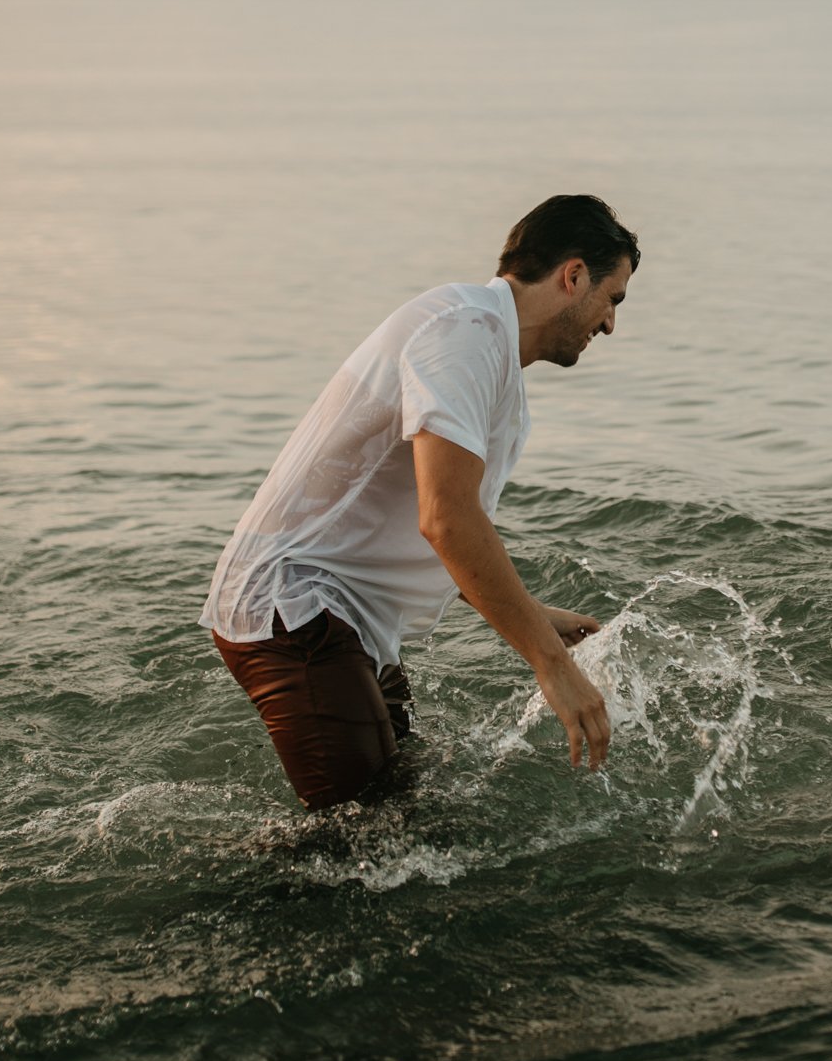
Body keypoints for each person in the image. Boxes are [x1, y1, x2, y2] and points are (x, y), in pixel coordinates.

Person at [202, 194, 638, 810]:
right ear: (573, 276)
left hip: (342, 618)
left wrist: (539, 618)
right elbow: (446, 521)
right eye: (612, 298)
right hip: (296, 606)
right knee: (363, 841)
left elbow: (429, 517)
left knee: (410, 811)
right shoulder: (465, 331)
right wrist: (552, 666)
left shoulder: (486, 348)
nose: (611, 324)